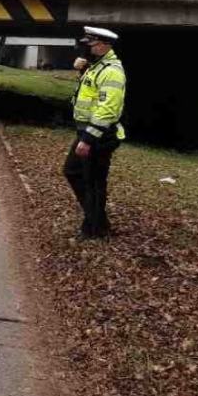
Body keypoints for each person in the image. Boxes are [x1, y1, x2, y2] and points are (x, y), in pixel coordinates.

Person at [63, 26, 126, 239]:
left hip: (100, 136)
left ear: (104, 46)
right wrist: (83, 68)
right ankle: (98, 221)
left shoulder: (112, 71)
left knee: (93, 182)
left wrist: (88, 139)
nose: (86, 48)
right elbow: (89, 93)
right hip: (86, 133)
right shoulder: (97, 66)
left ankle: (94, 229)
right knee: (73, 172)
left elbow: (107, 108)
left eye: (90, 44)